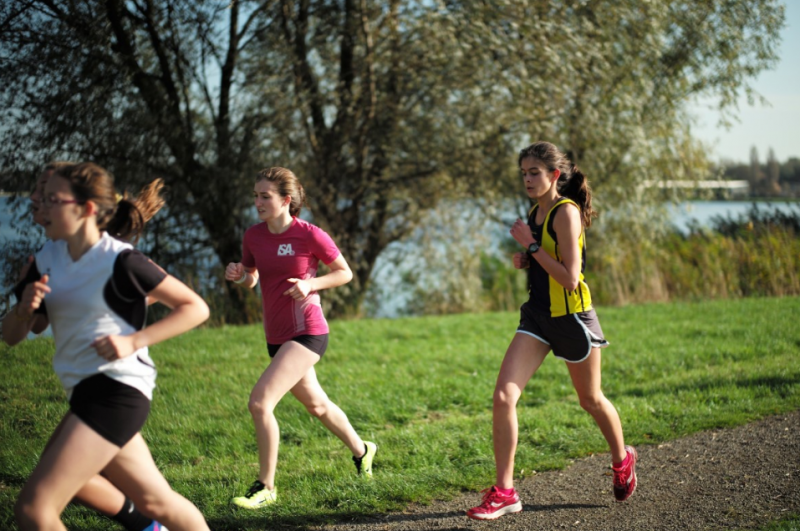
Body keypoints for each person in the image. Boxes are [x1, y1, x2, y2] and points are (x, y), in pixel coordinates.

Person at [3, 162, 211, 531]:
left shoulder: (121, 260)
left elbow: (196, 307)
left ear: (85, 209)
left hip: (117, 390)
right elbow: (12, 335)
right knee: (156, 502)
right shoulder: (46, 261)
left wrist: (134, 340)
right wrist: (22, 310)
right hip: (85, 391)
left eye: (53, 199)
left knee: (35, 509)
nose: (42, 206)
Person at [466, 142, 637, 520]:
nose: (527, 179)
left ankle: (622, 459)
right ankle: (505, 491)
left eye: (534, 172)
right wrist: (526, 258)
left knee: (590, 400)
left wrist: (529, 243)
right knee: (503, 396)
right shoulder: (535, 211)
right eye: (523, 173)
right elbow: (547, 262)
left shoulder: (566, 212)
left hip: (572, 319)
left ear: (554, 175)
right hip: (538, 318)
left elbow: (571, 279)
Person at [225, 167, 377, 509]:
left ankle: (266, 487)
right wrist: (239, 275)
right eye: (255, 195)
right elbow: (252, 278)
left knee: (260, 402)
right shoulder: (254, 236)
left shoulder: (310, 235)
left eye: (265, 196)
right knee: (317, 405)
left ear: (286, 200)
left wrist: (310, 284)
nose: (258, 202)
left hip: (308, 330)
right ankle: (362, 449)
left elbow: (344, 273)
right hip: (276, 335)